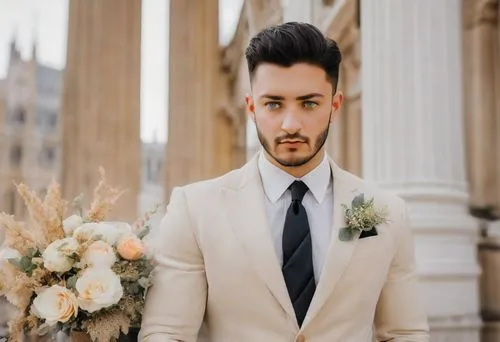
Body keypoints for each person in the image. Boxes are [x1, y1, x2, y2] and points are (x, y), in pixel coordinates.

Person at [139, 22, 429, 342]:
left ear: (334, 106)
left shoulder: (388, 212)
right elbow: (167, 333)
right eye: (273, 104)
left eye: (309, 103)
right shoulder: (194, 209)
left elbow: (404, 332)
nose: (291, 124)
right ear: (251, 107)